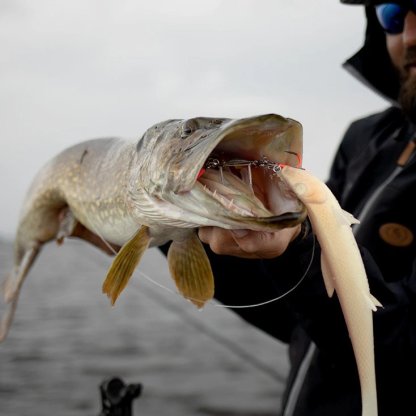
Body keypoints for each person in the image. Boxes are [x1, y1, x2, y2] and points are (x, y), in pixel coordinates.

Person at [186, 1, 416, 415]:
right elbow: (300, 318)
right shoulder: (367, 137)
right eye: (393, 13)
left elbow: (403, 350)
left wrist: (297, 246)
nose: (410, 35)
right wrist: (175, 231)